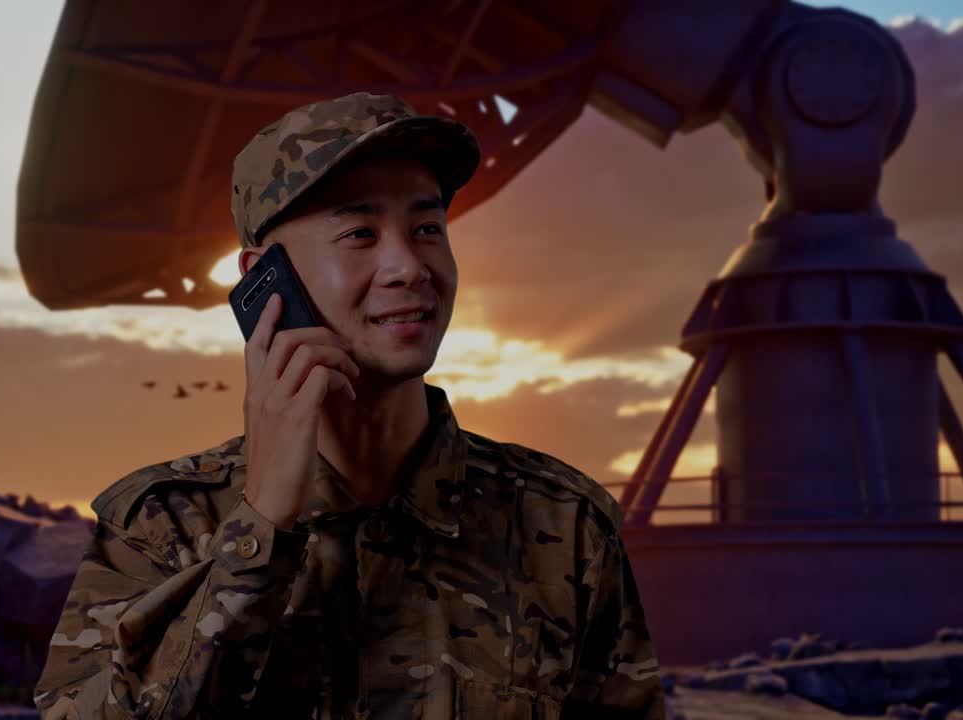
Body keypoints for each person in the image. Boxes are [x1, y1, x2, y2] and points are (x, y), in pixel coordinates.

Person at [33, 92, 667, 719]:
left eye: (427, 230)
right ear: (264, 278)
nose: (408, 266)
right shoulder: (159, 527)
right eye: (360, 233)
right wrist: (261, 528)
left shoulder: (568, 526)